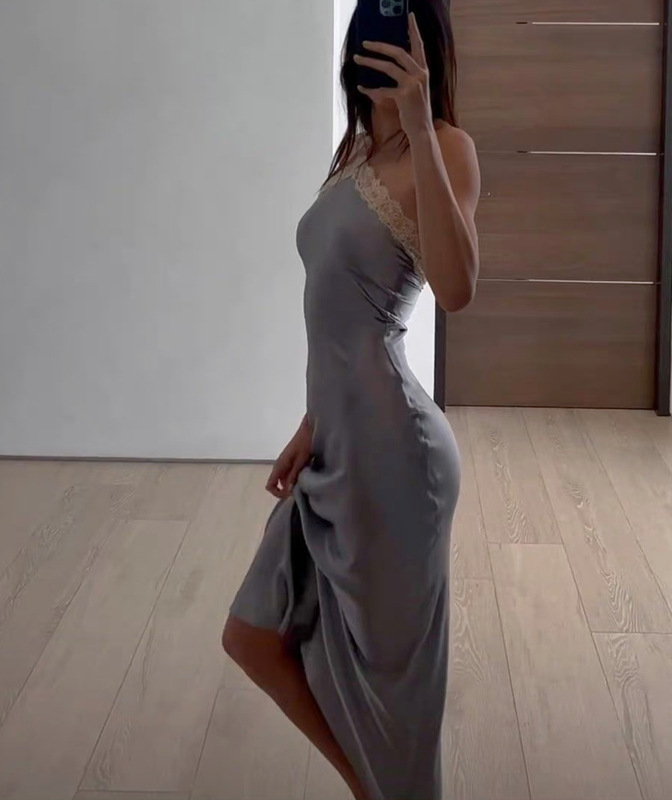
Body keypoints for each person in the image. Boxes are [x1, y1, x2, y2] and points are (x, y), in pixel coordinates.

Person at [222, 3, 480, 798]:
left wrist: (421, 125)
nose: (377, 46)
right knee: (250, 636)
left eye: (397, 35)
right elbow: (338, 311)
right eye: (369, 31)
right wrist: (313, 422)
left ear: (427, 51)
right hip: (339, 441)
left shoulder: (448, 148)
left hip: (395, 459)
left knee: (395, 694)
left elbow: (457, 289)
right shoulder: (357, 149)